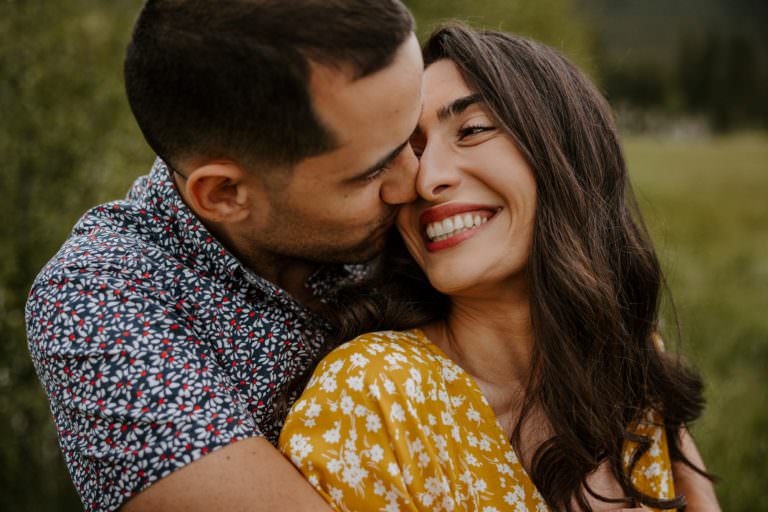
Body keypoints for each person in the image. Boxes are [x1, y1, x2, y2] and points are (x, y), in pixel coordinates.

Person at [279, 25, 721, 511]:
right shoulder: (375, 394)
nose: (425, 179)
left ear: (567, 151)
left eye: (471, 130)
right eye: (411, 150)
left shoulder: (628, 359)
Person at [24, 1, 423, 510]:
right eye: (371, 173)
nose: (418, 181)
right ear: (224, 194)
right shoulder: (100, 299)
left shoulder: (425, 183)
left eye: (416, 131)